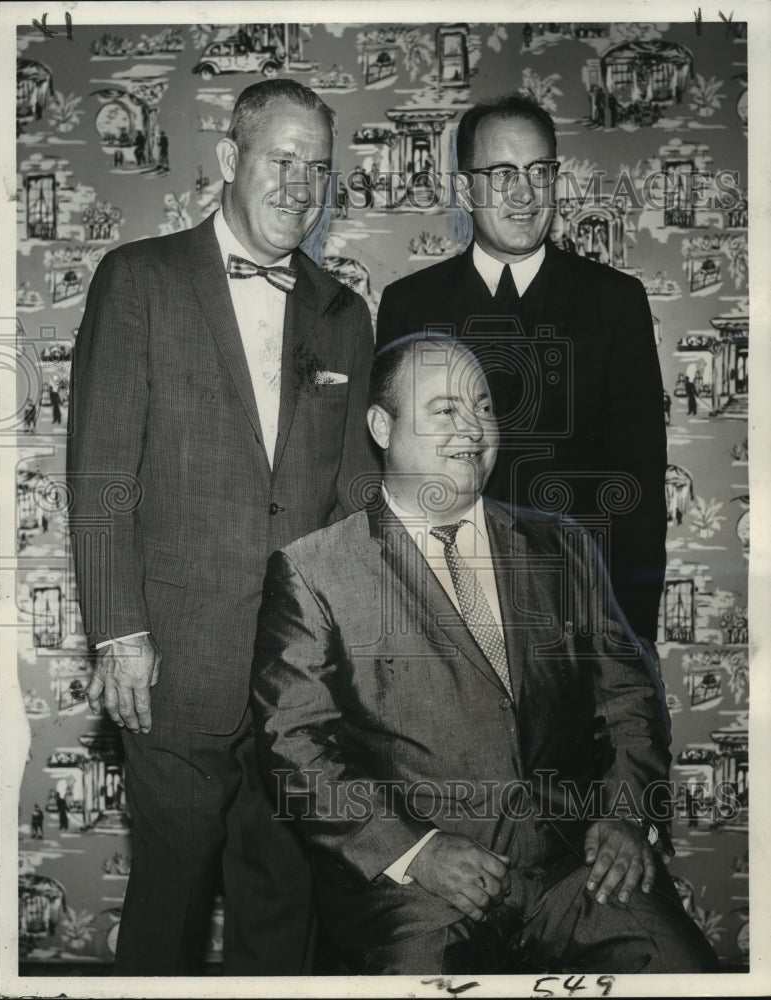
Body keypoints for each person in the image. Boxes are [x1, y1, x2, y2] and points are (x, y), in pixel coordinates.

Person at [252, 334, 718, 975]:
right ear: (382, 427)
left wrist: (627, 817)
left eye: (483, 407)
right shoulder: (315, 572)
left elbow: (628, 697)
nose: (472, 428)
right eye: (445, 410)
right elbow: (292, 744)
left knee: (682, 969)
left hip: (577, 872)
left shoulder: (562, 544)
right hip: (416, 896)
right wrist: (415, 852)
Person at [67, 79, 378, 975]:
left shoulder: (343, 312)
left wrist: (344, 657)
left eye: (318, 169)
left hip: (296, 673)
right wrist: (119, 632)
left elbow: (353, 497)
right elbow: (100, 472)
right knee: (169, 899)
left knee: (281, 902)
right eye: (281, 161)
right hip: (171, 656)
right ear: (230, 160)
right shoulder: (140, 280)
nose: (300, 186)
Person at [376, 94, 667, 646]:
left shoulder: (616, 302)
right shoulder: (408, 305)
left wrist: (630, 650)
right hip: (447, 626)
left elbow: (640, 494)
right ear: (464, 190)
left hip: (582, 627)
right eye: (502, 173)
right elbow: (397, 486)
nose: (524, 193)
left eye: (539, 171)